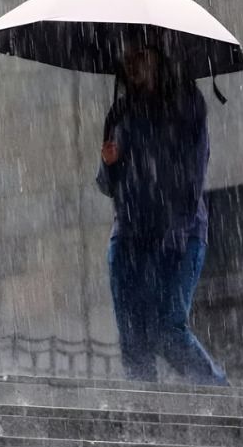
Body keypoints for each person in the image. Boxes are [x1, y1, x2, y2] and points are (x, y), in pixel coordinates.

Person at [95, 38, 229, 386]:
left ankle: (219, 393)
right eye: (128, 57)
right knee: (133, 337)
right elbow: (107, 184)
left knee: (167, 327)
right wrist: (109, 164)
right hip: (129, 236)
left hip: (179, 233)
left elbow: (195, 173)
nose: (132, 64)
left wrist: (176, 232)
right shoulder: (120, 112)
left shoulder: (187, 104)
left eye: (141, 55)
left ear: (159, 58)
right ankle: (147, 417)